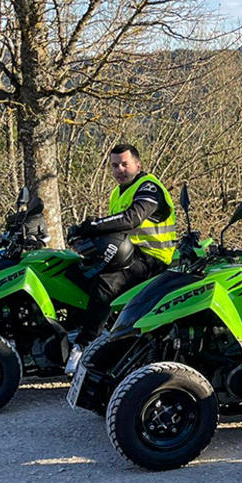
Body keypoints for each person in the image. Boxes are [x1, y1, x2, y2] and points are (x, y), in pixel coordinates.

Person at [65, 143, 177, 372]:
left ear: (138, 164)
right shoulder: (117, 192)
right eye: (115, 166)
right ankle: (87, 329)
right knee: (74, 272)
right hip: (126, 253)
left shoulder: (149, 187)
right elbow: (115, 230)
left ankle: (85, 346)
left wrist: (92, 226)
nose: (120, 170)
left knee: (106, 284)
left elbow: (131, 218)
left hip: (152, 257)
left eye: (125, 164)